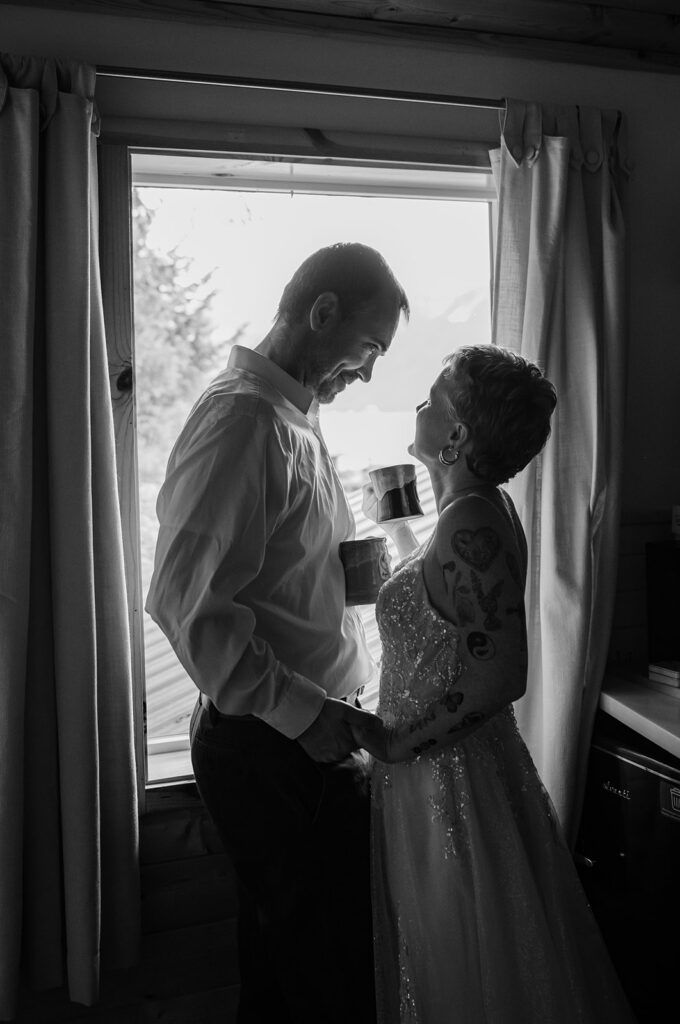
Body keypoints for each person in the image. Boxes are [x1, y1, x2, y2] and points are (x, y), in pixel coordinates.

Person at [145, 242, 408, 1024]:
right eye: (367, 350)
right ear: (322, 312)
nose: (365, 374)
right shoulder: (241, 421)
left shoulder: (296, 413)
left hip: (302, 734)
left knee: (290, 960)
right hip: (273, 743)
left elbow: (284, 566)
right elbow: (185, 600)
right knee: (321, 970)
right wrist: (309, 714)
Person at [353, 346, 637, 1024]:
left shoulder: (473, 519)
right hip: (445, 771)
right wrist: (395, 533)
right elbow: (449, 624)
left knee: (469, 965)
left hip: (451, 780)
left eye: (431, 399)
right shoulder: (474, 509)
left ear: (455, 436)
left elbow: (500, 674)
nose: (418, 407)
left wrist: (394, 742)